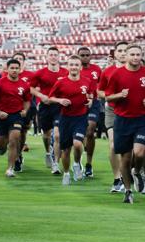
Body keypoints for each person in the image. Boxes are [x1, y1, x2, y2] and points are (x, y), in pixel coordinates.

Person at [104, 45, 145, 204]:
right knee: (125, 158)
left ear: (142, 56)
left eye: (138, 54)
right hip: (122, 120)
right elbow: (108, 97)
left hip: (142, 120)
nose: (135, 57)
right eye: (132, 54)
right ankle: (127, 190)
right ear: (126, 56)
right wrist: (120, 95)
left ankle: (137, 171)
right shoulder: (117, 74)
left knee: (139, 153)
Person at [47, 55, 92, 185]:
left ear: (80, 67)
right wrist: (60, 100)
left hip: (80, 118)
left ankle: (77, 164)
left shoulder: (87, 81)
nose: (73, 67)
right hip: (65, 119)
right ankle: (66, 173)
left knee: (78, 144)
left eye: (76, 65)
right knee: (65, 149)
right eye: (71, 64)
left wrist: (90, 101)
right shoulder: (61, 82)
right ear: (68, 66)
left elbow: (89, 96)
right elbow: (50, 98)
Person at [0, 59, 32, 177]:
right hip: (2, 116)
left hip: (16, 116)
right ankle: (2, 149)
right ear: (7, 69)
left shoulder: (24, 84)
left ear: (20, 69)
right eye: (12, 68)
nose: (14, 70)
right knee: (2, 145)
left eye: (16, 68)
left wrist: (25, 110)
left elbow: (27, 100)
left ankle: (10, 169)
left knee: (14, 139)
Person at [30, 47, 68, 174]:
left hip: (59, 107)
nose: (53, 57)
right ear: (46, 57)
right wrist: (41, 97)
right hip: (45, 107)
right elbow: (31, 88)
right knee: (46, 135)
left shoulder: (65, 72)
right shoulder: (40, 73)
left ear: (59, 57)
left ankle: (56, 164)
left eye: (55, 55)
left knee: (57, 135)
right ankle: (48, 152)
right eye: (51, 55)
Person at [98, 42, 127, 191]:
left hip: (131, 111)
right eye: (120, 51)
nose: (123, 53)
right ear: (115, 54)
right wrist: (112, 96)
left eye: (125, 50)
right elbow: (100, 91)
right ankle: (117, 178)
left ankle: (129, 174)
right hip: (112, 110)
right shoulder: (108, 71)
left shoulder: (138, 70)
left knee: (132, 149)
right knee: (113, 145)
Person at [78, 46, 103, 178]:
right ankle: (81, 155)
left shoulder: (96, 70)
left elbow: (102, 85)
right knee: (80, 134)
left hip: (93, 103)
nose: (85, 57)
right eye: (82, 55)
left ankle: (89, 164)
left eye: (87, 55)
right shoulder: (75, 69)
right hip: (78, 104)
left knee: (90, 129)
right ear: (78, 56)